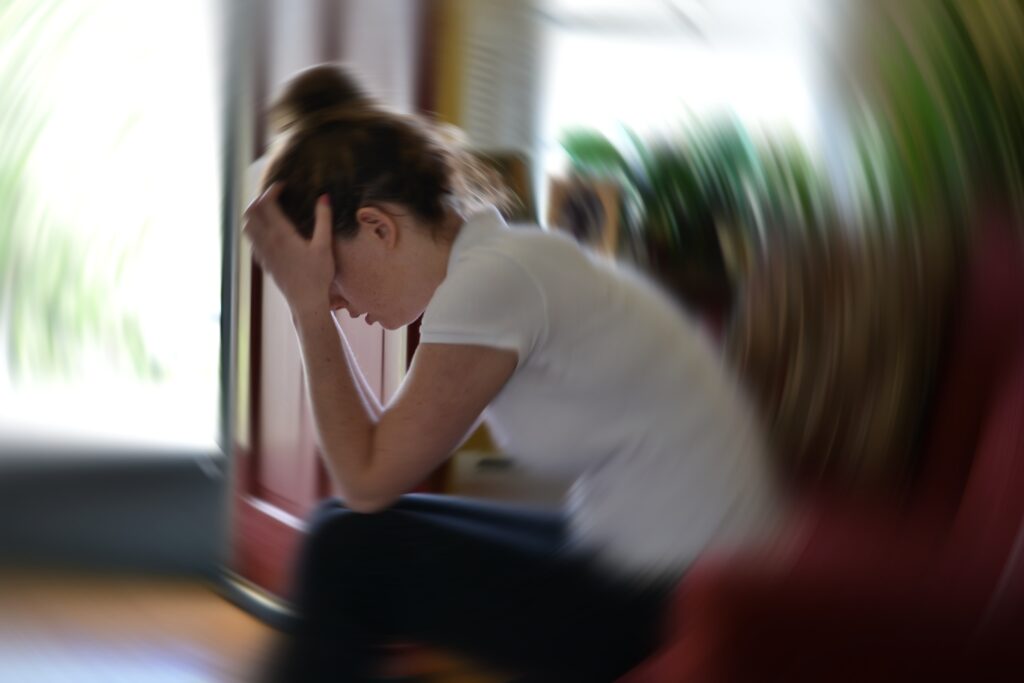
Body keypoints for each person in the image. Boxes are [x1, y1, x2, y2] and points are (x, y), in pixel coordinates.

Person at [245, 64, 782, 683]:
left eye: (331, 279)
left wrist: (309, 313)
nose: (337, 302)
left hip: (675, 588)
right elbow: (371, 478)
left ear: (376, 226)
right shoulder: (505, 260)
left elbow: (367, 479)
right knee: (342, 528)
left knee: (346, 551)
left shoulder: (491, 285)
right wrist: (316, 303)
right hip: (647, 549)